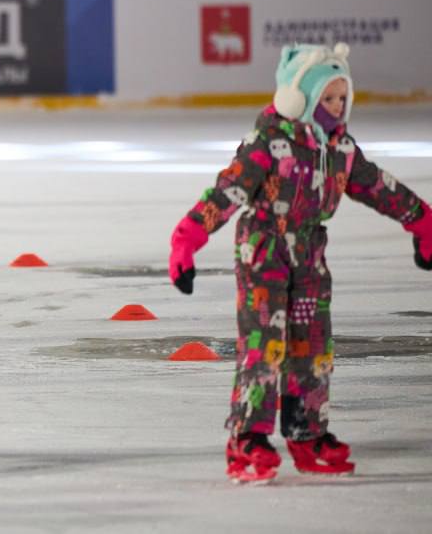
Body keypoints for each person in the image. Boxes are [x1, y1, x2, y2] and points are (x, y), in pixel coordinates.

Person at [168, 42, 432, 483]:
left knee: (312, 348)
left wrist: (423, 223)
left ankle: (306, 432)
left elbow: (380, 188)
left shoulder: (340, 149)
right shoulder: (268, 143)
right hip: (264, 254)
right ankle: (248, 438)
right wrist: (188, 239)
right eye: (326, 98)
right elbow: (226, 191)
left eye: (341, 98)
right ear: (299, 97)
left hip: (310, 257)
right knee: (264, 346)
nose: (336, 106)